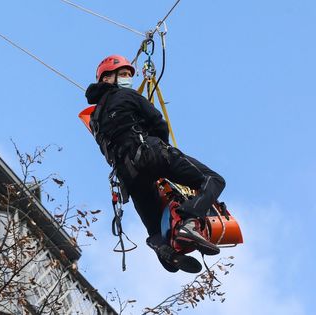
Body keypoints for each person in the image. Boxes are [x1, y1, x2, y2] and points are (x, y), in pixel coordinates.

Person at [85, 55, 226, 273]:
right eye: (122, 75)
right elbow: (159, 123)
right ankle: (189, 220)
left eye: (128, 76)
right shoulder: (128, 95)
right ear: (106, 79)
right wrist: (165, 154)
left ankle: (165, 250)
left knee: (153, 225)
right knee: (213, 180)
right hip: (152, 154)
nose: (127, 79)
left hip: (128, 175)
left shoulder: (94, 120)